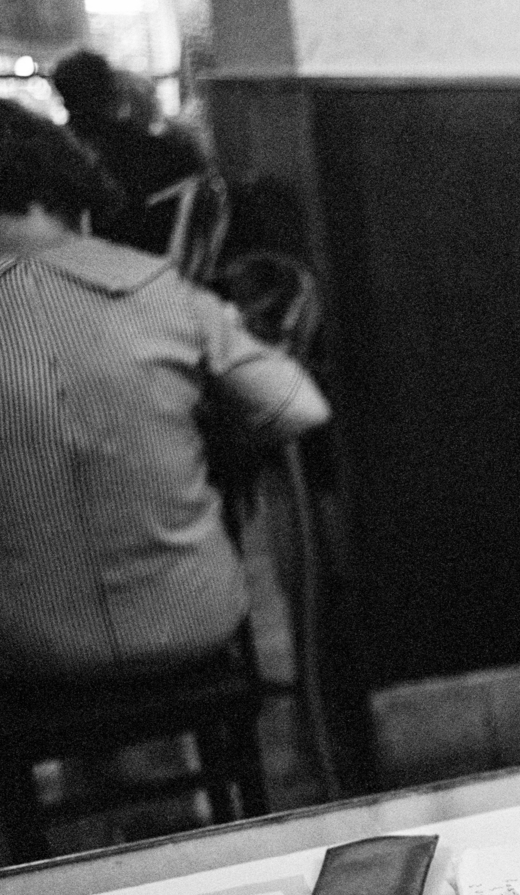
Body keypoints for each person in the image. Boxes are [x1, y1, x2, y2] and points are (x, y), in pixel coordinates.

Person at [0, 100, 329, 680]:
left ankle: (100, 765)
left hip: (27, 648)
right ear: (68, 192)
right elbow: (299, 408)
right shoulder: (160, 290)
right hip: (195, 620)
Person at [48, 48, 207, 256]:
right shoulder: (168, 153)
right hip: (160, 265)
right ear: (112, 90)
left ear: (63, 98)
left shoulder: (54, 157)